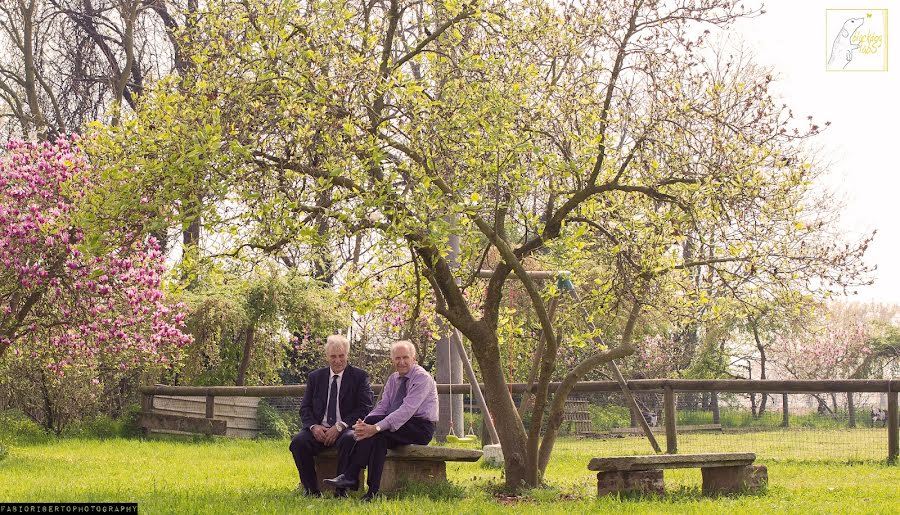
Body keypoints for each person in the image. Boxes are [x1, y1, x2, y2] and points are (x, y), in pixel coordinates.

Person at [324, 340, 438, 501]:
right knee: (377, 438)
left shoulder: (422, 378)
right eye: (397, 358)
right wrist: (365, 423)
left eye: (405, 357)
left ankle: (351, 475)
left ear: (414, 358)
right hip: (397, 426)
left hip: (420, 427)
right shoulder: (393, 379)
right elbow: (383, 406)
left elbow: (406, 411)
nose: (402, 362)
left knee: (376, 433)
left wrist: (376, 427)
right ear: (392, 360)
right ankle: (372, 492)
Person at [289, 334, 374, 497]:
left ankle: (341, 491)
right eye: (333, 356)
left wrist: (340, 426)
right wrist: (314, 427)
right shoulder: (315, 377)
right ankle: (311, 491)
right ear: (327, 356)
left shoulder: (360, 377)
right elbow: (305, 408)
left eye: (341, 356)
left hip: (345, 428)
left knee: (350, 439)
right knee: (298, 442)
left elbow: (364, 408)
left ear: (347, 355)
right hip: (319, 429)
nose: (337, 360)